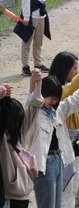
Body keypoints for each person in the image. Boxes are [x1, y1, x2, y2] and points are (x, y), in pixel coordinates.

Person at [26, 68, 79, 208]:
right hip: (44, 164)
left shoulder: (57, 111)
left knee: (58, 203)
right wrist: (34, 83)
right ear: (42, 94)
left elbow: (77, 98)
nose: (54, 101)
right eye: (51, 97)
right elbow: (32, 100)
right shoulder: (33, 113)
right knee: (47, 204)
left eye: (57, 98)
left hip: (60, 160)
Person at [0, 79, 38, 208]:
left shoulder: (21, 134)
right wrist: (4, 100)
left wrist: (37, 83)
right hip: (9, 195)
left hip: (23, 193)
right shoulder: (2, 140)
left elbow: (34, 107)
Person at [21, 0, 51, 77]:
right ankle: (25, 66)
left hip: (41, 15)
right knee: (27, 41)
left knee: (39, 41)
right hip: (32, 16)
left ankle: (38, 64)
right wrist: (26, 17)